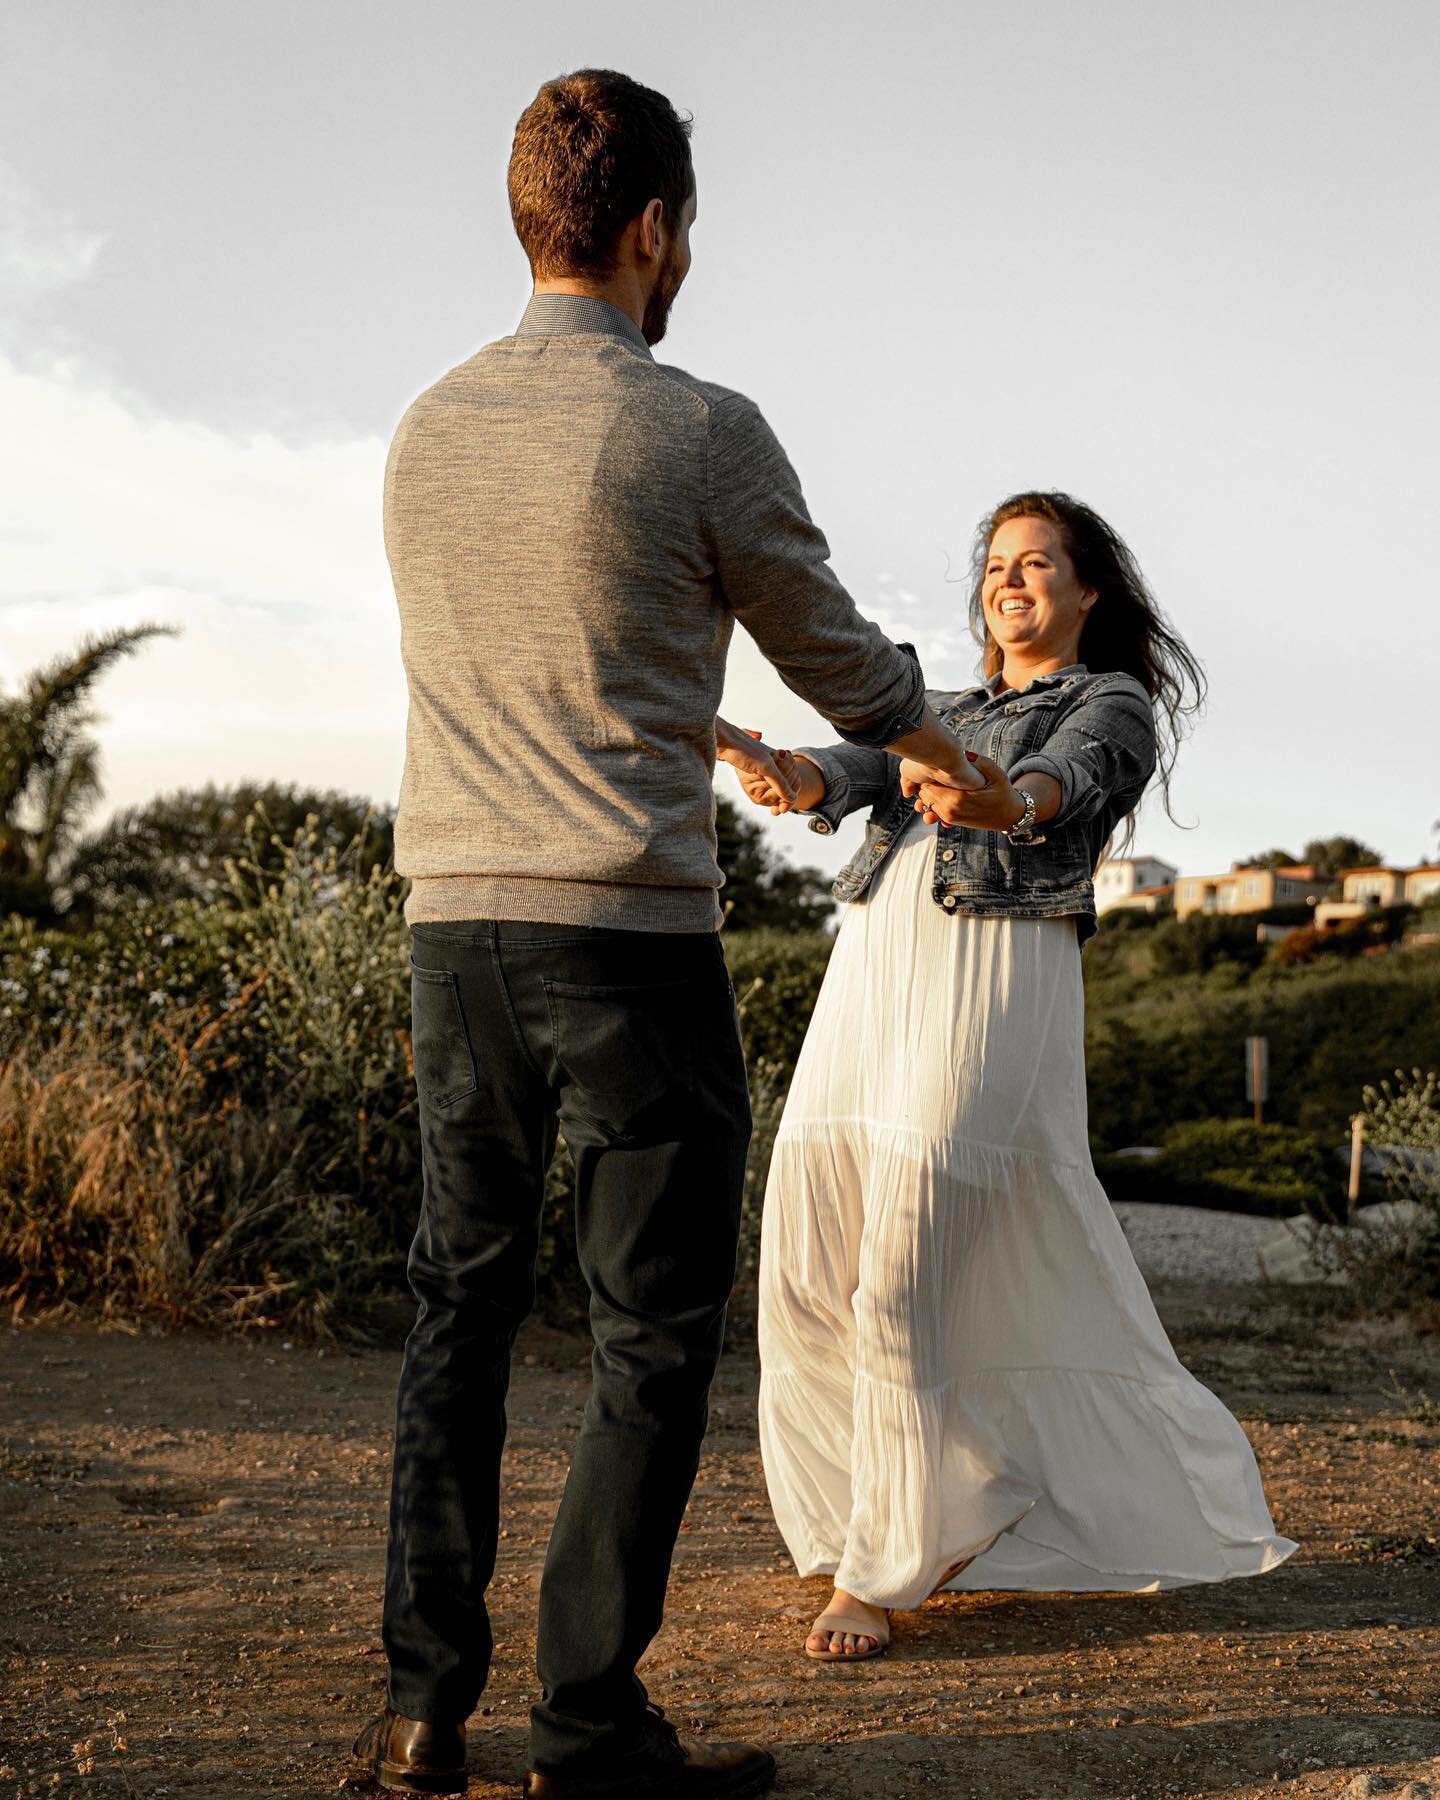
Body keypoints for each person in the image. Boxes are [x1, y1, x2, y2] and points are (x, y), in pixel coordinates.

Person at [352, 69, 982, 1798]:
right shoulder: (695, 425)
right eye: (682, 230)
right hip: (624, 927)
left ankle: (423, 1710)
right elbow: (840, 664)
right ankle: (585, 1722)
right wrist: (947, 756)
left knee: (454, 1306)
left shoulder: (424, 427)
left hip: (450, 929)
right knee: (648, 1325)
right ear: (652, 231)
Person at [733, 491, 1297, 1663]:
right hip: (879, 962)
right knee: (807, 1247)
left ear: (1088, 590)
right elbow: (849, 763)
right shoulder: (937, 707)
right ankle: (928, 1504)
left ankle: (886, 1564)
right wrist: (785, 770)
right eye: (998, 563)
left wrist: (1010, 796)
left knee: (901, 1268)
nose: (1012, 580)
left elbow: (1075, 780)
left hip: (990, 967)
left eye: (1039, 563)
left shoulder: (1109, 700)